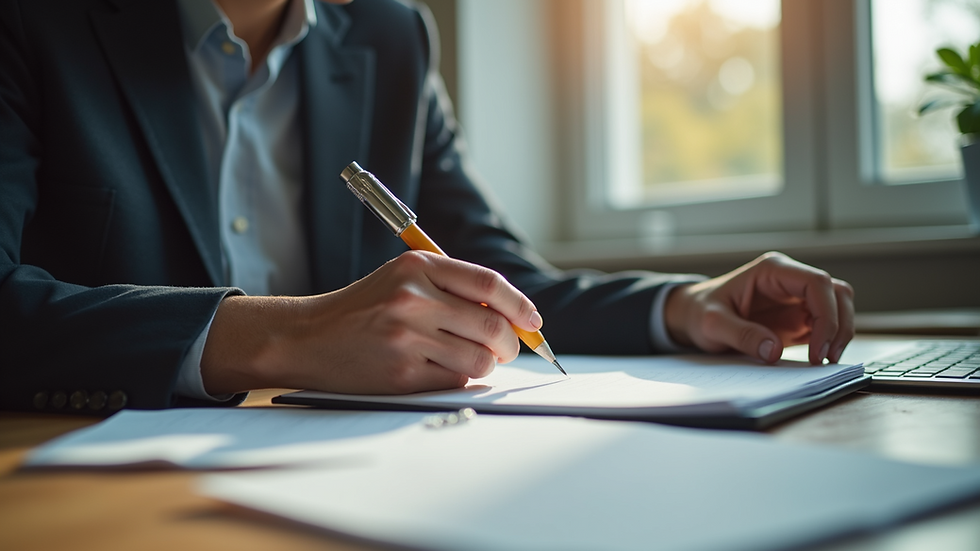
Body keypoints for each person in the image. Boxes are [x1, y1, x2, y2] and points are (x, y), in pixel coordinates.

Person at [0, 0, 854, 415]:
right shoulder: (33, 21)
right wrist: (292, 334)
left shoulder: (390, 36)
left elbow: (493, 278)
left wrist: (678, 305)